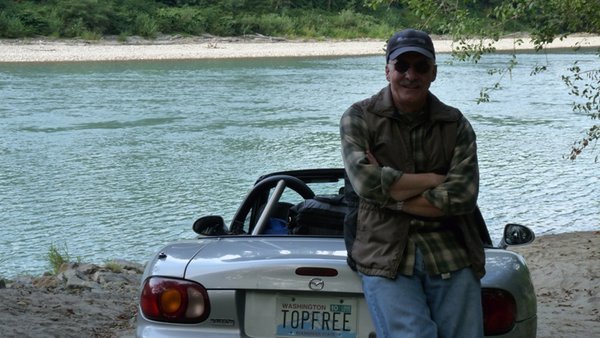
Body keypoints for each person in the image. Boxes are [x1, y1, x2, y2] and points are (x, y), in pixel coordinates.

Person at [340, 28, 490, 338]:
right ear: (387, 71)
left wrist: (390, 195)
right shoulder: (358, 117)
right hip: (383, 251)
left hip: (452, 249)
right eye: (402, 66)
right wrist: (436, 179)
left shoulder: (455, 123)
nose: (411, 75)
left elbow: (462, 196)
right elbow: (366, 184)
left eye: (421, 67)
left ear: (433, 72)